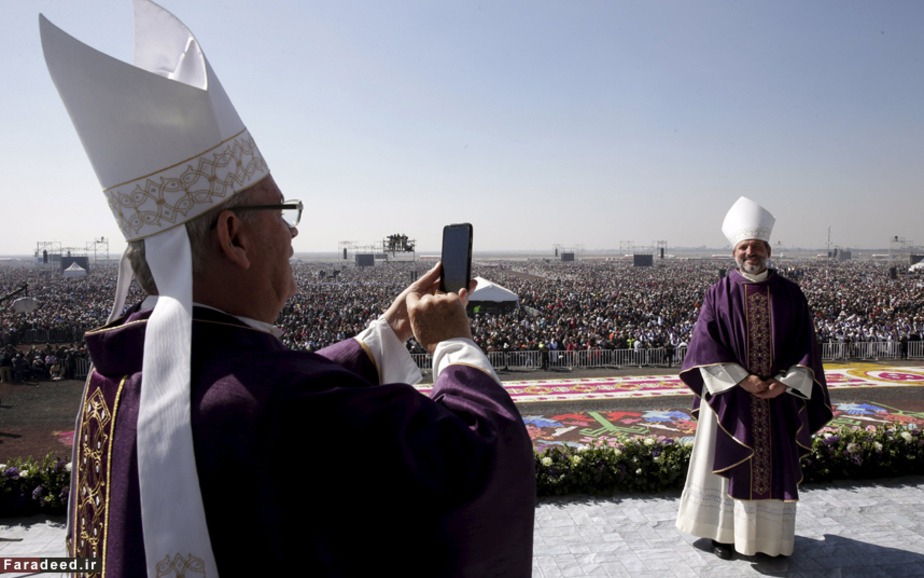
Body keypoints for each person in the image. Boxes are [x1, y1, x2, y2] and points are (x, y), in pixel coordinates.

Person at [41, 2, 534, 576]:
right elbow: (477, 463)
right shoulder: (280, 406)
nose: (294, 231)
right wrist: (453, 345)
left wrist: (388, 333)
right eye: (280, 210)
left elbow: (253, 386)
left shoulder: (116, 378)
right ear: (234, 237)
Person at [675, 197, 833, 560]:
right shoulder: (718, 293)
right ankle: (724, 535)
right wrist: (743, 380)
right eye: (744, 247)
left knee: (772, 467)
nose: (751, 252)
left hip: (778, 398)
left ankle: (768, 541)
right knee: (724, 464)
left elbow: (805, 345)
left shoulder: (792, 295)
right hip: (732, 398)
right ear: (734, 252)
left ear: (769, 250)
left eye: (757, 246)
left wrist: (785, 382)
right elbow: (704, 345)